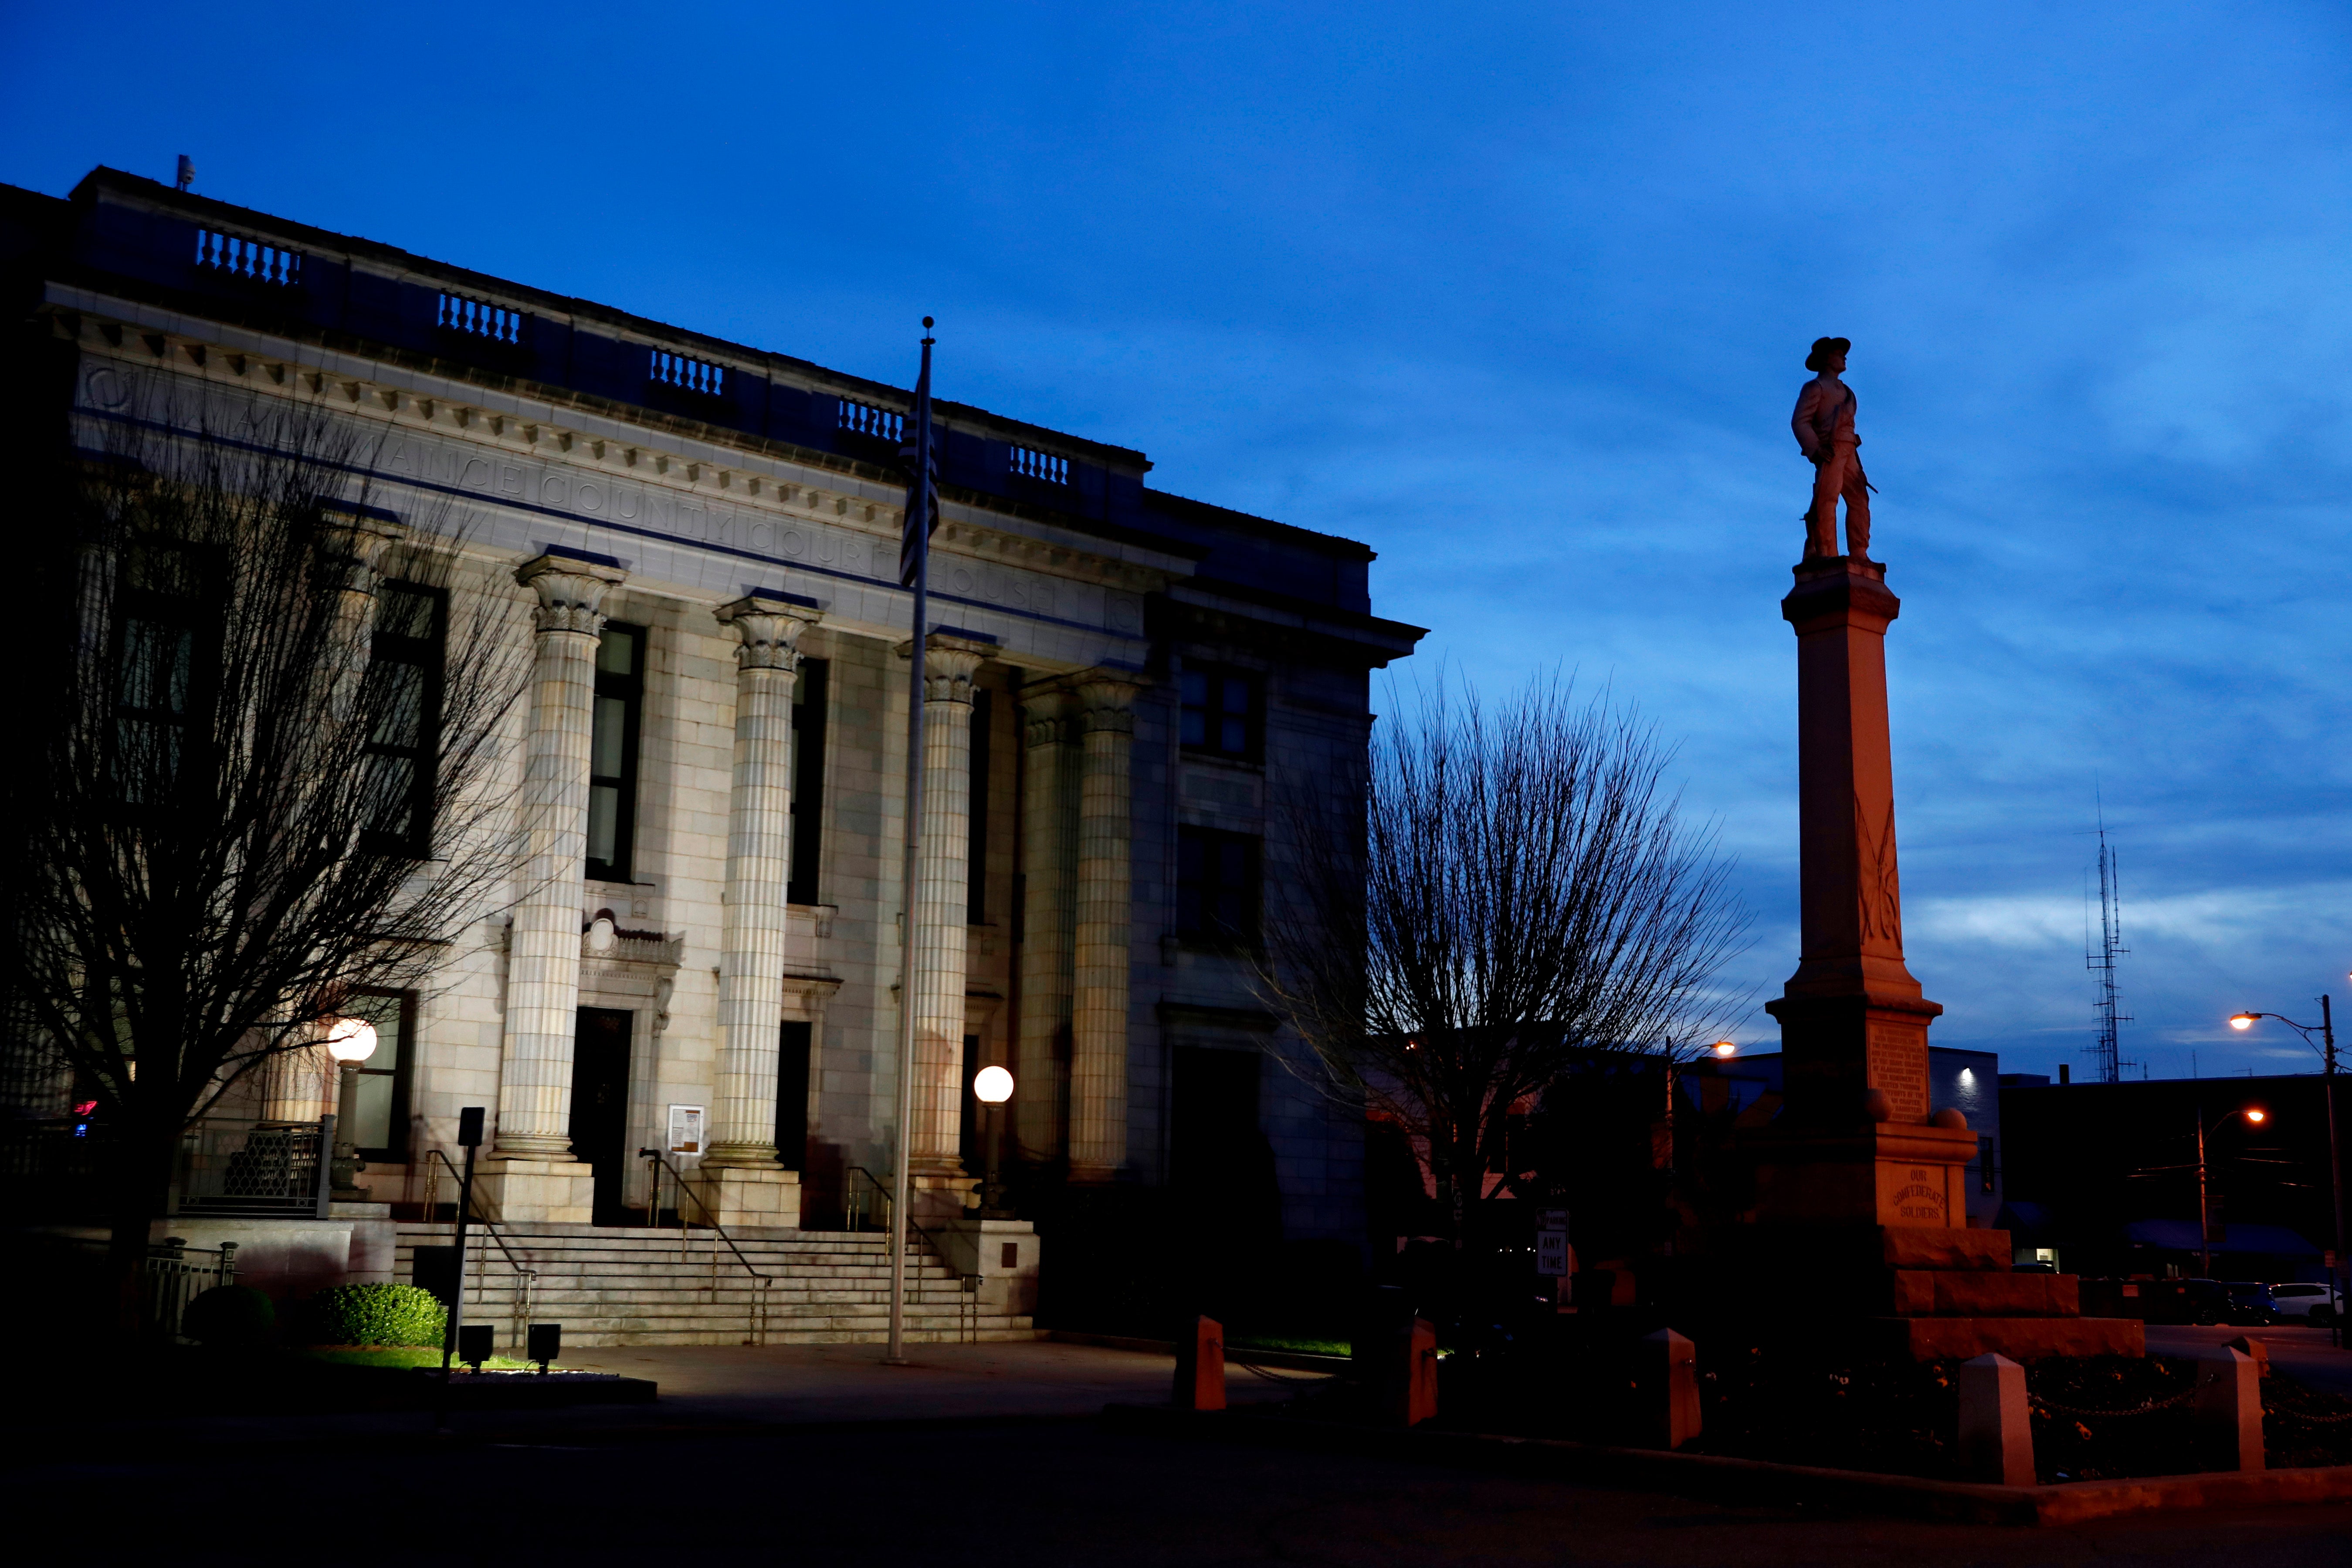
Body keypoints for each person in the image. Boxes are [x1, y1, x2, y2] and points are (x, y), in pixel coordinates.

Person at [1792, 336, 1871, 560]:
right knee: (1828, 500)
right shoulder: (1815, 387)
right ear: (1827, 359)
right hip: (1831, 449)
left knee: (1860, 500)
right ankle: (1826, 552)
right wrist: (1816, 449)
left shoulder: (1848, 392)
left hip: (1850, 451)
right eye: (1838, 353)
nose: (1844, 357)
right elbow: (1800, 421)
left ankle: (1859, 552)